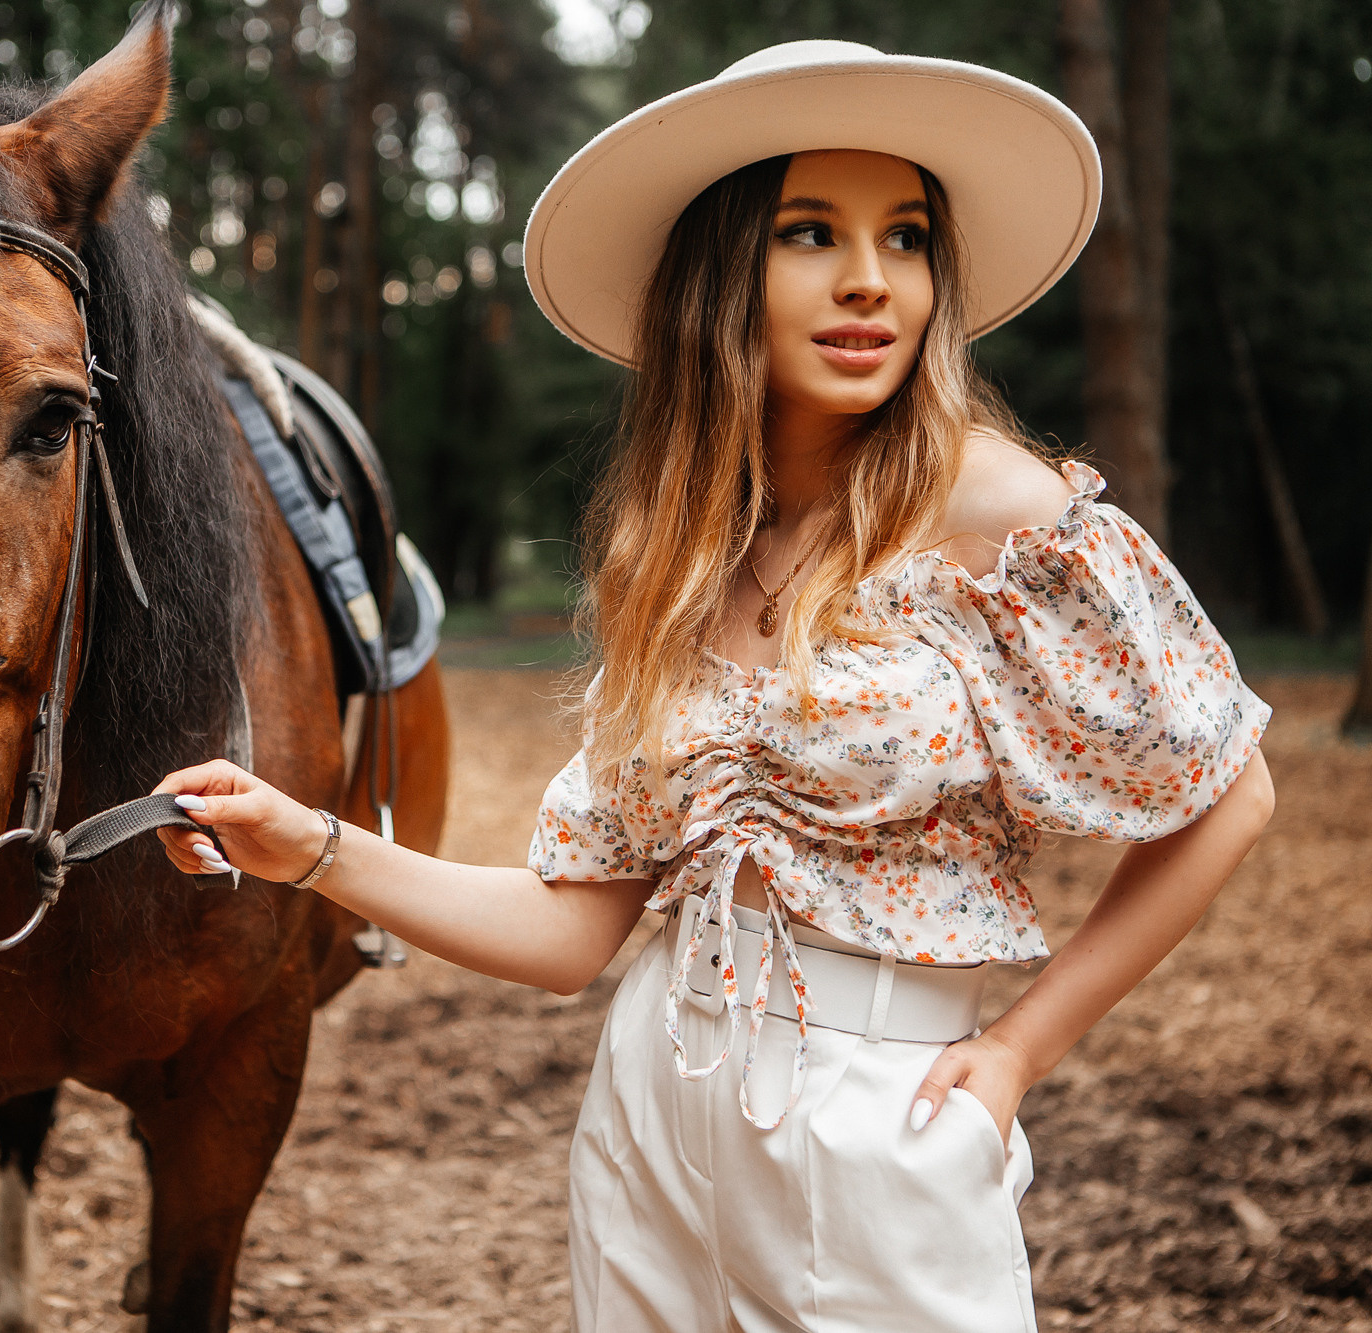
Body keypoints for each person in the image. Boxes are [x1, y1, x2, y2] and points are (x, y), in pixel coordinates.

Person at [154, 39, 1275, 1333]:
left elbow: (1226, 792)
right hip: (654, 1102)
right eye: (812, 232)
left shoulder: (990, 509)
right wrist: (310, 845)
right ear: (721, 274)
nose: (870, 281)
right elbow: (576, 930)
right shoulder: (684, 554)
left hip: (885, 1124)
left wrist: (1019, 1050)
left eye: (904, 238)